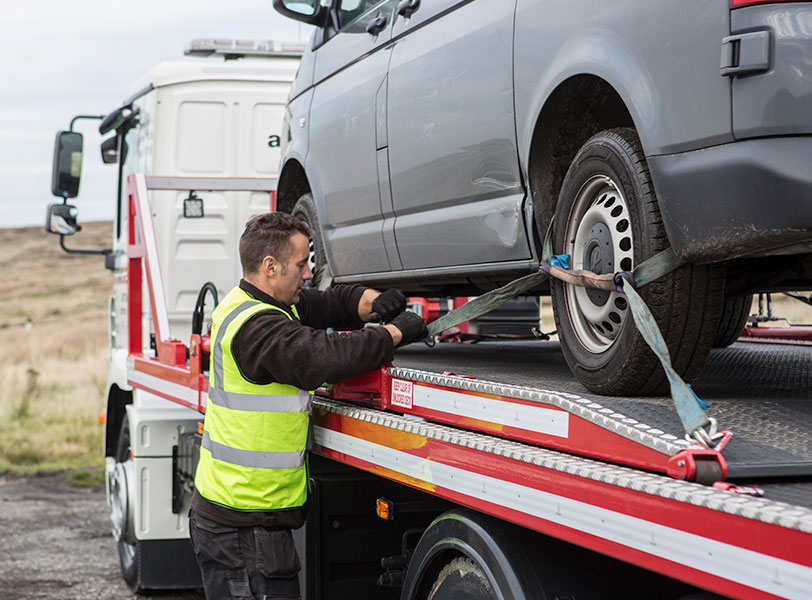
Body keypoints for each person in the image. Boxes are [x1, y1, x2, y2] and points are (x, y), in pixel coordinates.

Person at [189, 211, 427, 600]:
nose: (308, 273)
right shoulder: (257, 327)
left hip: (241, 517)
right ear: (270, 266)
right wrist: (394, 333)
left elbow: (331, 302)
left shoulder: (257, 301)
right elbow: (324, 357)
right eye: (301, 264)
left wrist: (373, 302)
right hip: (242, 525)